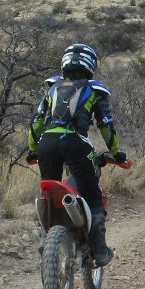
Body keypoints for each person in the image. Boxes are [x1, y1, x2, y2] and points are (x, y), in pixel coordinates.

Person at [26, 43, 126, 267]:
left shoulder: (52, 88)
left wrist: (34, 148)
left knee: (48, 195)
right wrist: (117, 153)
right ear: (90, 64)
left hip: (46, 145)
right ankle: (99, 251)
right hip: (78, 145)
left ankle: (47, 238)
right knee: (92, 195)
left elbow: (37, 123)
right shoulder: (94, 90)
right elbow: (106, 126)